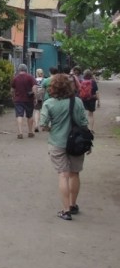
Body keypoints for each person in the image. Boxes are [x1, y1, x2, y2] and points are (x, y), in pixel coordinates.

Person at [39, 73, 90, 221]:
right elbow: (83, 123)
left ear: (53, 87)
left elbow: (42, 125)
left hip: (57, 142)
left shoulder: (49, 103)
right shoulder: (77, 102)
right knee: (75, 174)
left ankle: (66, 211)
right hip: (77, 143)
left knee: (63, 175)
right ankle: (73, 205)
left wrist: (52, 128)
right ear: (70, 86)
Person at [11, 63, 36, 139]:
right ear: (26, 69)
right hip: (29, 99)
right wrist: (35, 97)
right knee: (30, 115)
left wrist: (13, 96)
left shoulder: (15, 78)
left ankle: (20, 132)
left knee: (19, 115)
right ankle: (30, 132)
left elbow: (12, 89)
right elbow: (34, 87)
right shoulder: (30, 77)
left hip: (18, 99)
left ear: (19, 70)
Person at [32, 68, 45, 133]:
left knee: (37, 111)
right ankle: (43, 125)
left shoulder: (34, 80)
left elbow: (33, 88)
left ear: (36, 73)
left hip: (37, 96)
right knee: (44, 111)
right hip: (44, 97)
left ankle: (36, 125)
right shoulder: (44, 80)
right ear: (42, 73)